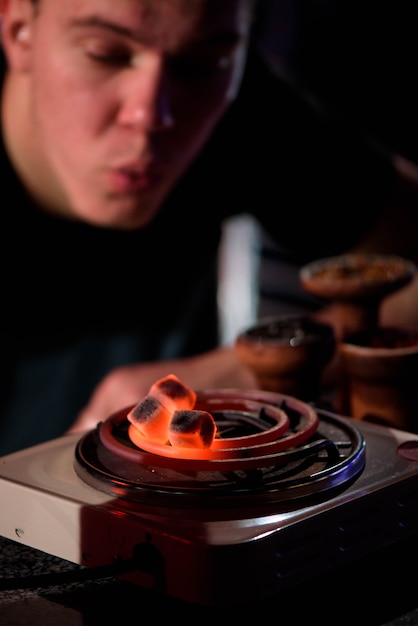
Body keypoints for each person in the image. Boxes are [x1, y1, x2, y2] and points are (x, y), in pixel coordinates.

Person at [0, 0, 417, 456]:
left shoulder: (244, 112)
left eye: (204, 64)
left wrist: (238, 370)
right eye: (106, 53)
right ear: (17, 27)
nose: (152, 116)